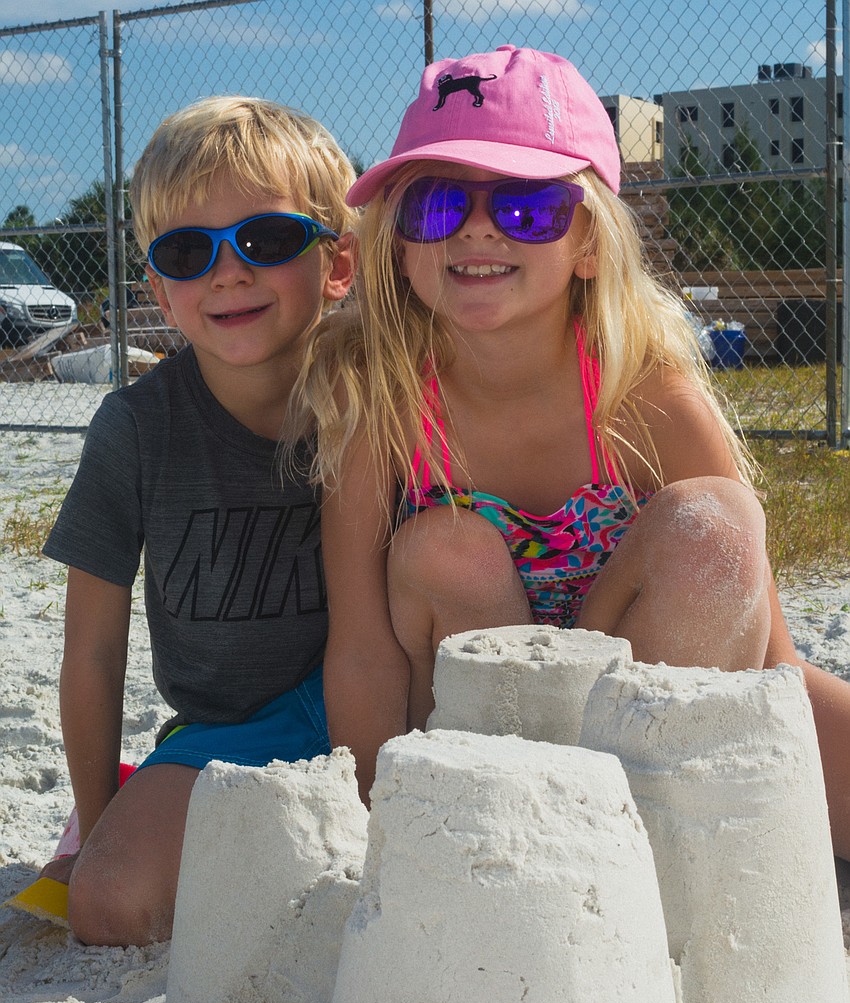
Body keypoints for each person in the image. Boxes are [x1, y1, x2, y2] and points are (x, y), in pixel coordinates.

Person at [299, 44, 850, 859]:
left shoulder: (646, 399)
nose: (477, 226)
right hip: (484, 748)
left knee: (718, 522)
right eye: (436, 205)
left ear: (590, 241)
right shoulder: (382, 411)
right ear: (400, 246)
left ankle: (651, 858)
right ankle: (523, 859)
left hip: (641, 730)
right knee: (444, 551)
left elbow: (765, 655)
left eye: (527, 206)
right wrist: (378, 841)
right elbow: (363, 655)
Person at [38, 96, 356, 945]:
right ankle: (142, 798)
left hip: (369, 705)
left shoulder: (377, 397)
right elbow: (92, 651)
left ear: (338, 264)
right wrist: (97, 823)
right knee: (108, 903)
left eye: (268, 239)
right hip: (223, 734)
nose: (228, 272)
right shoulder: (136, 428)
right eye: (188, 251)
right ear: (159, 292)